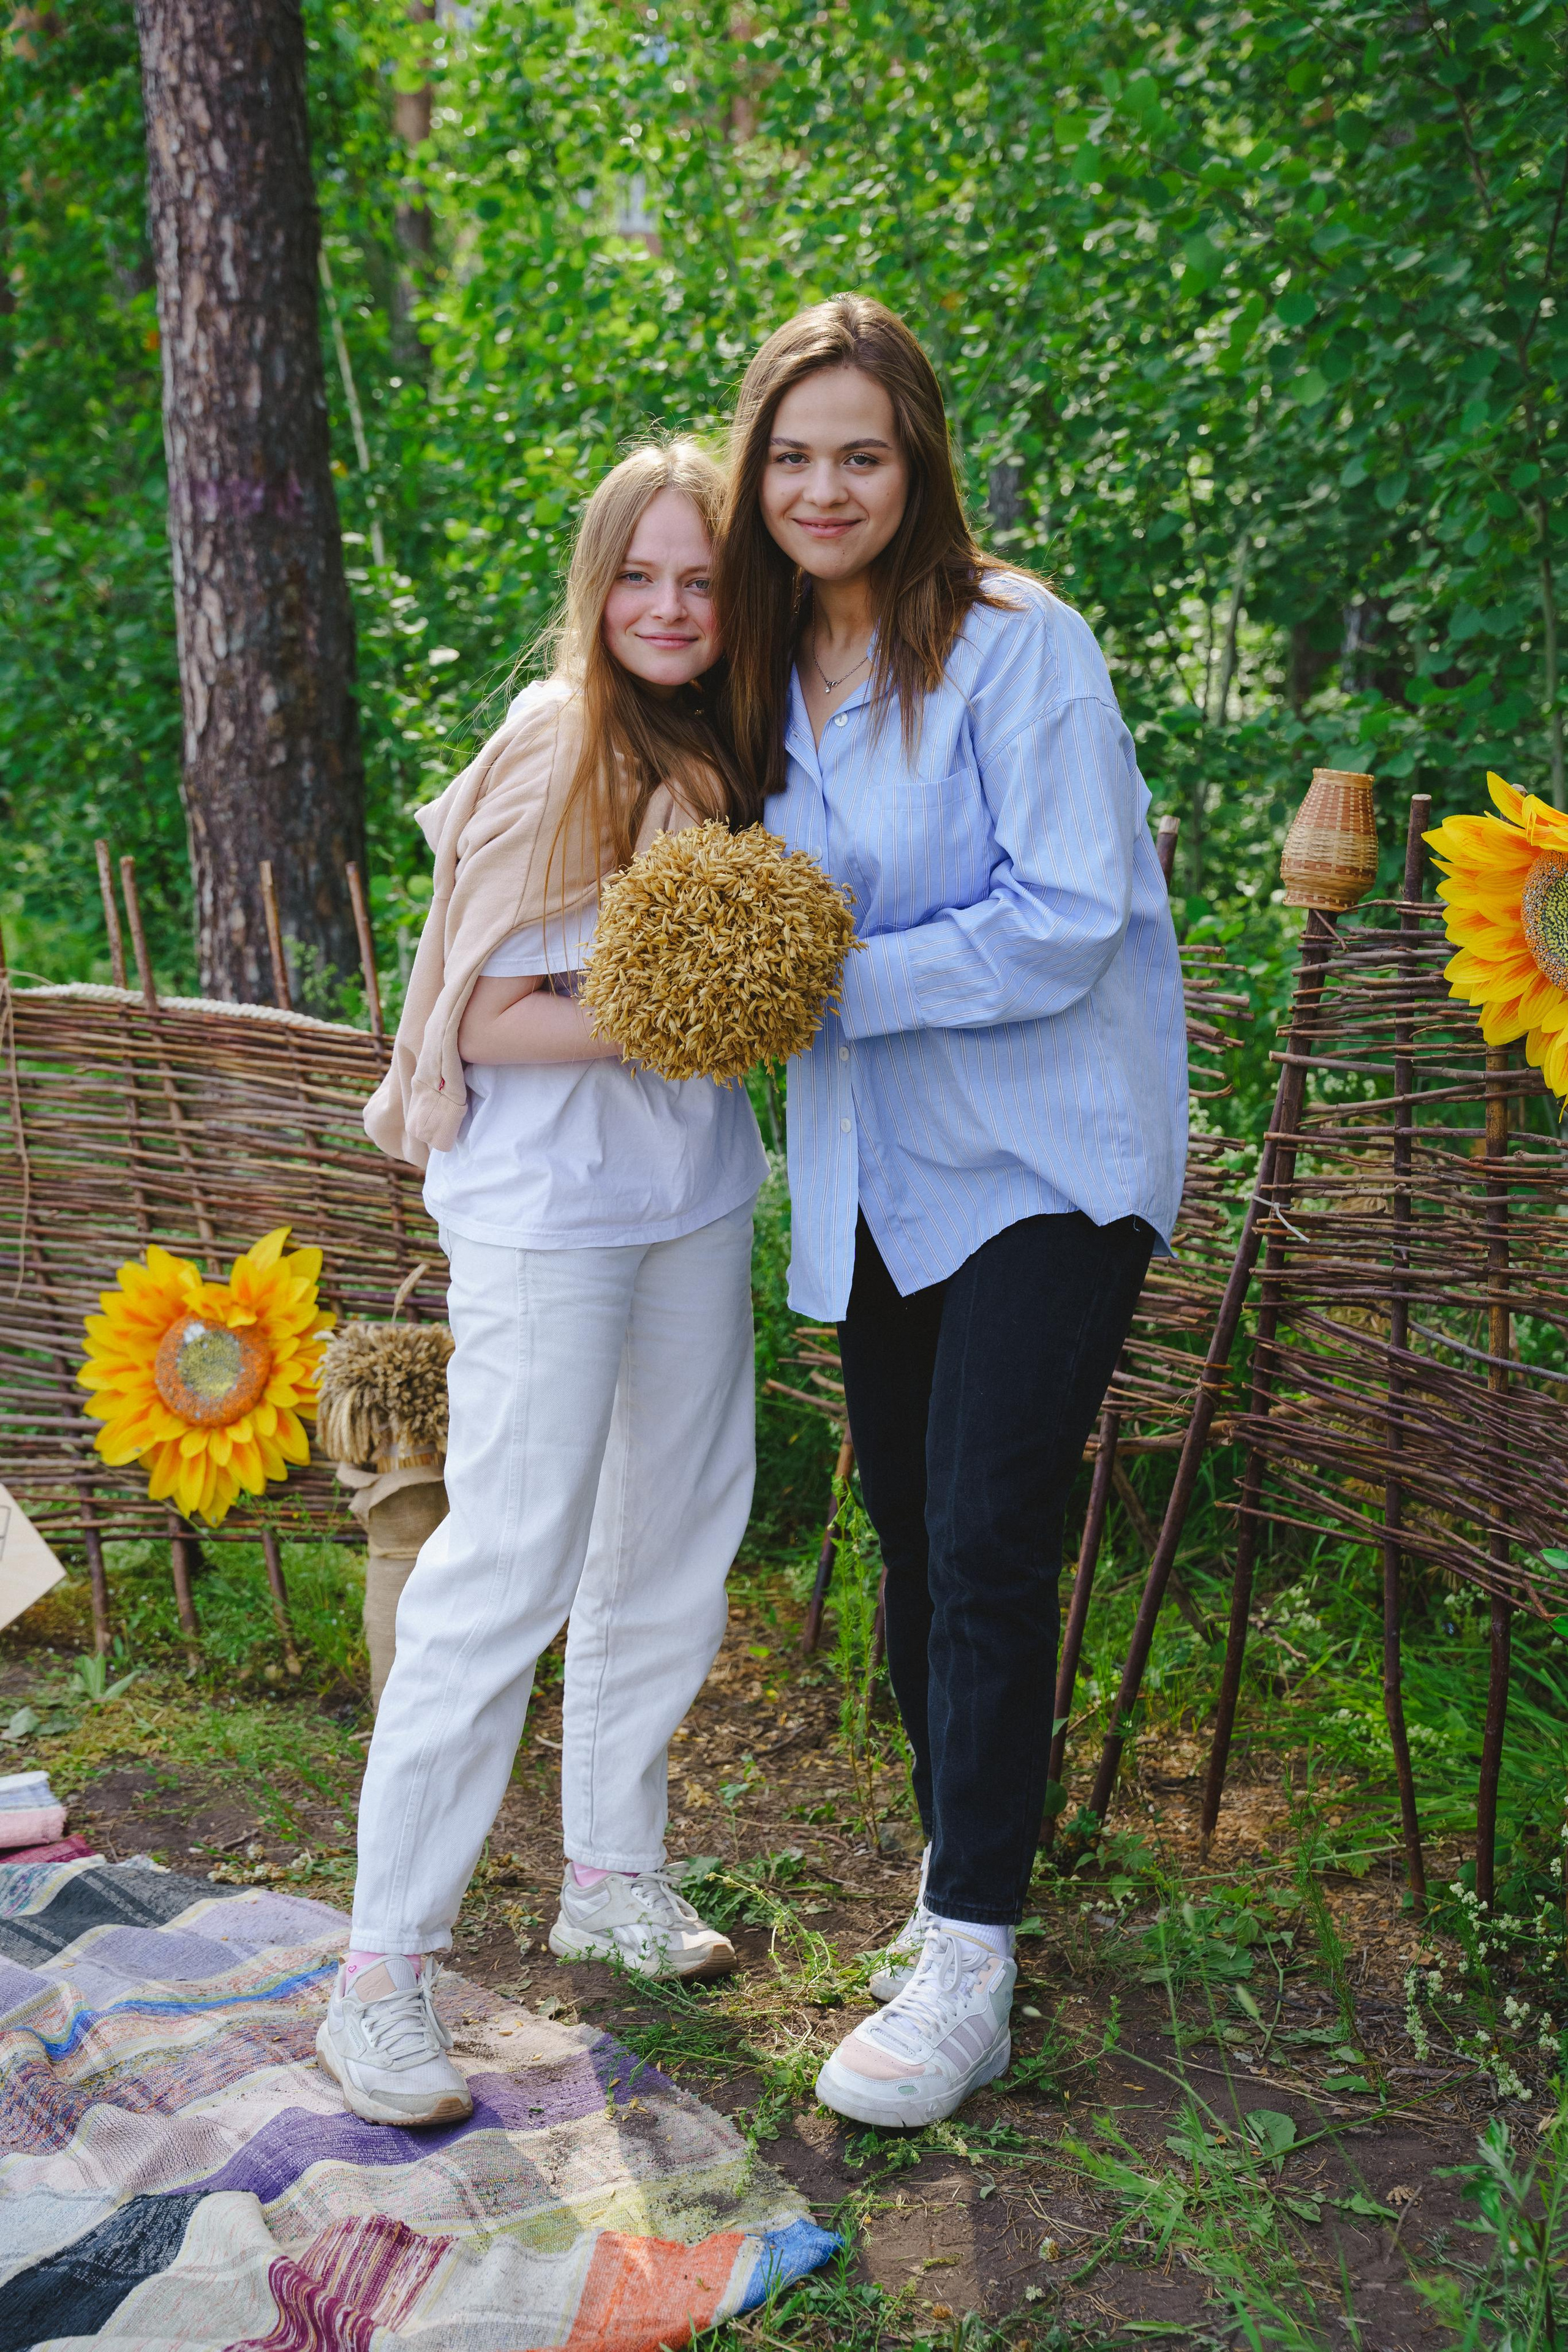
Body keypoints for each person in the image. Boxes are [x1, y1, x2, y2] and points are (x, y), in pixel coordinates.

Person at [714, 297, 1188, 2129]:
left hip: (1049, 1158)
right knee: (915, 1540)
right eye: (792, 453)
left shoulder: (1016, 642)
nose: (824, 487)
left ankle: (975, 1953)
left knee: (990, 1538)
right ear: (754, 472)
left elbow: (1073, 913)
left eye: (862, 452)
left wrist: (826, 985)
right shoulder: (753, 679)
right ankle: (956, 1885)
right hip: (880, 1178)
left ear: (918, 468)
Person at [322, 440, 769, 2128]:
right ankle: (382, 1973)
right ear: (598, 587)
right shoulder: (554, 742)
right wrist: (698, 1009)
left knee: (672, 1531)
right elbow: (483, 1014)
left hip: (690, 1190)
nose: (670, 606)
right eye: (641, 575)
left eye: (702, 579)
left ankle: (611, 1875)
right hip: (547, 1211)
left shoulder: (719, 752)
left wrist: (730, 1002)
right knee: (506, 1556)